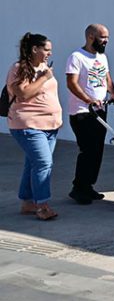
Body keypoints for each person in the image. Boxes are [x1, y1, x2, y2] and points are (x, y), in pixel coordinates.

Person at [5, 33, 63, 220]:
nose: (49, 53)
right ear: (34, 49)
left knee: (33, 163)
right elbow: (23, 93)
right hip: (27, 125)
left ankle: (28, 202)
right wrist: (44, 78)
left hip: (50, 126)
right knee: (43, 163)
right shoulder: (19, 68)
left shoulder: (44, 67)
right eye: (46, 49)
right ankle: (42, 206)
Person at [66, 24, 114, 204]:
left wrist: (113, 93)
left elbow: (107, 77)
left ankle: (88, 186)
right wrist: (89, 100)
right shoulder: (77, 57)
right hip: (82, 112)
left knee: (97, 150)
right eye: (103, 37)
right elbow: (71, 83)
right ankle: (78, 188)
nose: (106, 41)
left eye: (107, 38)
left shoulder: (102, 57)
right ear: (91, 36)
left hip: (99, 111)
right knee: (87, 150)